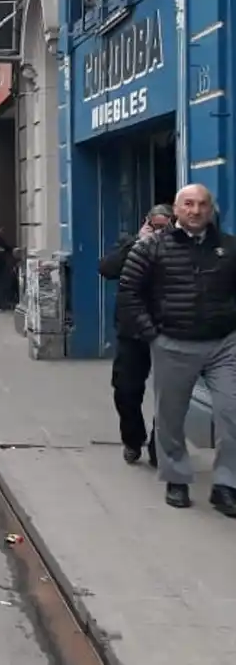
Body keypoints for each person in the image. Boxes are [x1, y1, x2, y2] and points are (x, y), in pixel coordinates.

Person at [118, 184, 236, 513]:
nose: (195, 211)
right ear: (176, 208)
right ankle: (177, 478)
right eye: (188, 204)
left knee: (232, 413)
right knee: (170, 417)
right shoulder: (152, 247)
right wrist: (152, 334)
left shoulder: (228, 247)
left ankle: (227, 484)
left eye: (202, 204)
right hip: (173, 342)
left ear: (211, 209)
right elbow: (129, 291)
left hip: (224, 344)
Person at [99, 205, 172, 466]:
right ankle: (132, 438)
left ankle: (158, 447)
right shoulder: (132, 244)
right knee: (126, 390)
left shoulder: (179, 248)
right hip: (132, 332)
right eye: (156, 226)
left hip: (168, 331)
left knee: (169, 395)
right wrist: (137, 244)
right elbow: (106, 269)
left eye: (166, 226)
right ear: (146, 224)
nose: (160, 232)